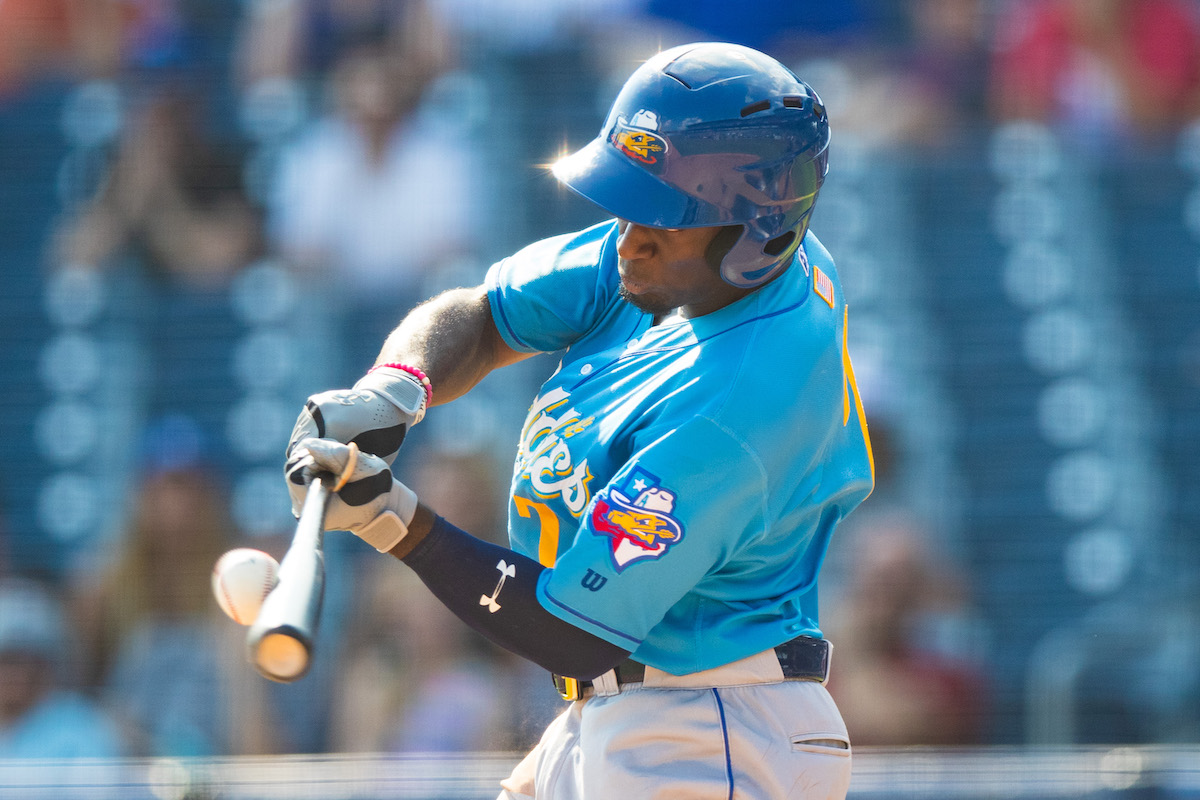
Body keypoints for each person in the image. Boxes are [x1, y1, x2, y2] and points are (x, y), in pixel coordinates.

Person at [284, 42, 874, 799]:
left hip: (710, 727)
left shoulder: (735, 404)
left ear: (754, 231)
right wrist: (394, 390)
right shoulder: (684, 261)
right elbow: (486, 314)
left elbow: (574, 634)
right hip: (640, 707)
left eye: (662, 216)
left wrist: (394, 522)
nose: (629, 236)